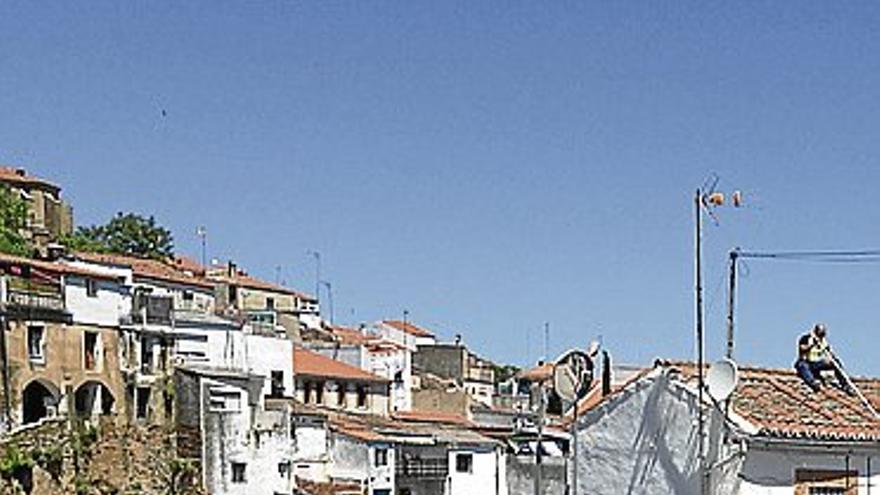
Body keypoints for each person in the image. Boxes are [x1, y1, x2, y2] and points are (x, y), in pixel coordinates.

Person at [794, 323, 851, 394]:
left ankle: (845, 384)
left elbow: (830, 352)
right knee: (802, 365)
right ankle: (812, 383)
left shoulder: (824, 341)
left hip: (817, 364)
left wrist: (832, 360)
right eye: (820, 335)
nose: (821, 337)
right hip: (807, 362)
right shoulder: (806, 338)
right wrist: (812, 344)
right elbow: (802, 348)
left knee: (835, 362)